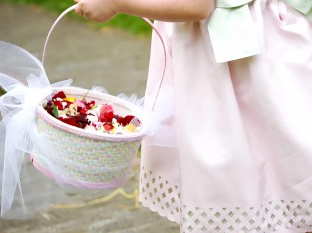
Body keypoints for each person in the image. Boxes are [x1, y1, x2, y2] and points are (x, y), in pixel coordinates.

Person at [74, 0, 312, 232]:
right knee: (284, 166)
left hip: (241, 58)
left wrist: (114, 3)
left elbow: (196, 5)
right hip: (268, 42)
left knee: (242, 174)